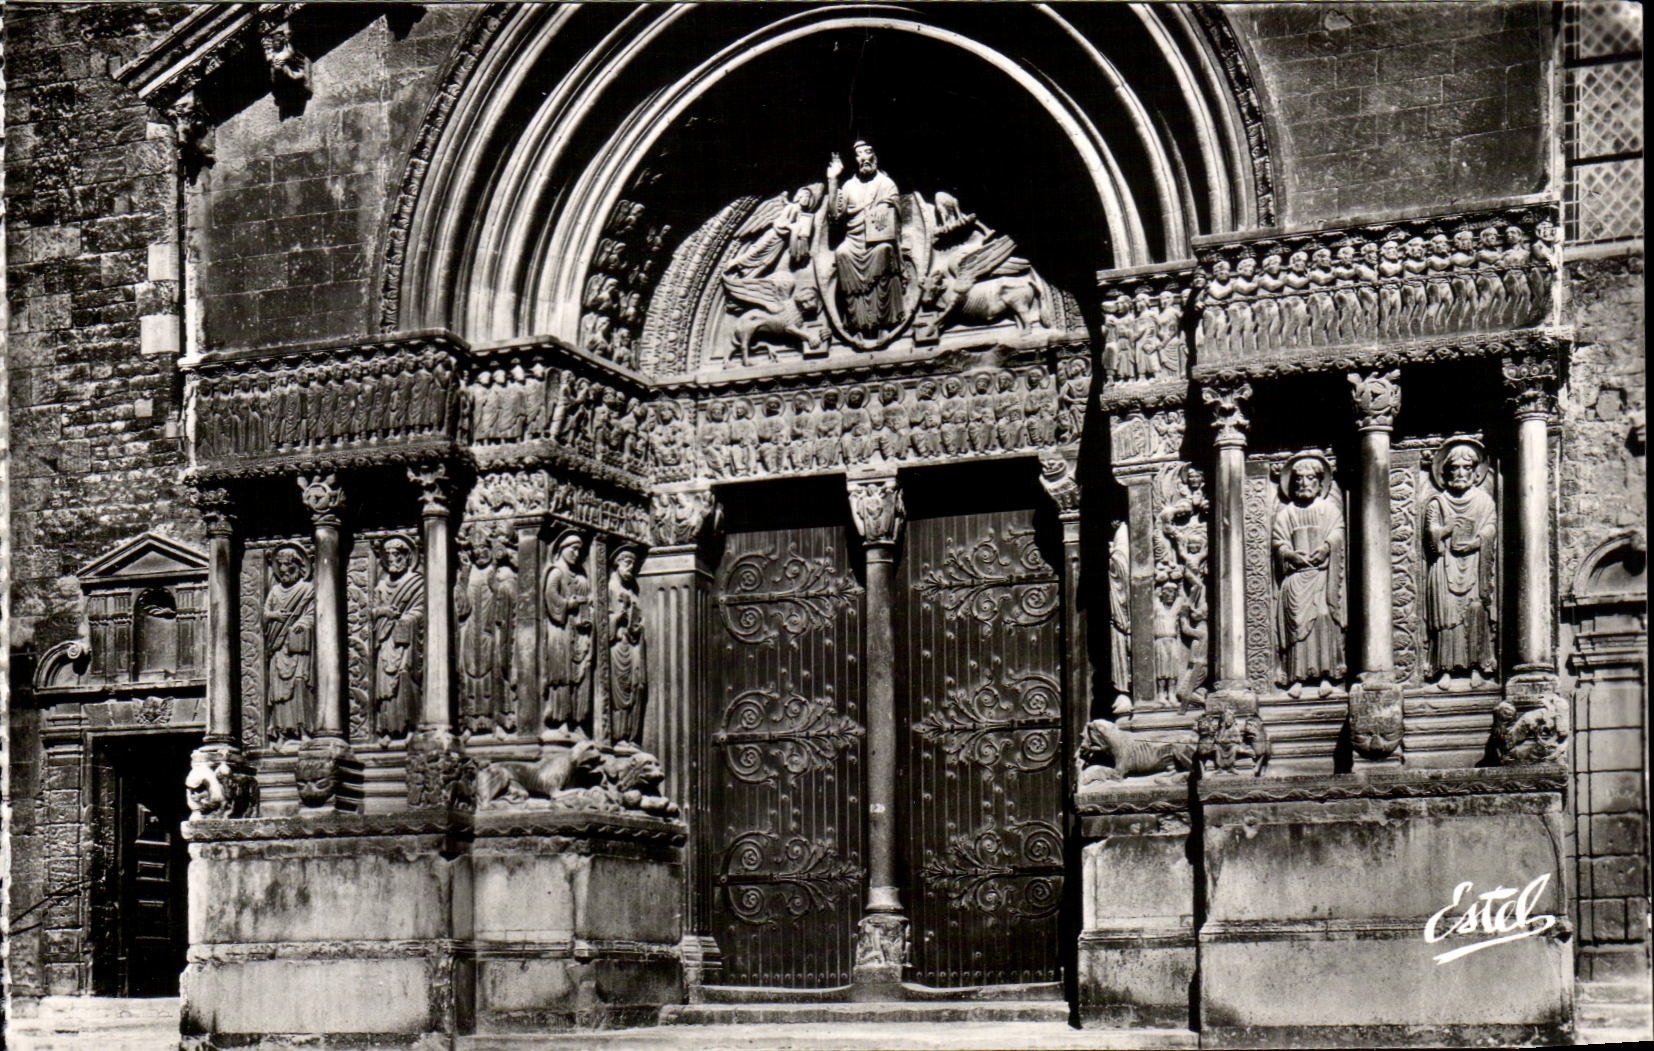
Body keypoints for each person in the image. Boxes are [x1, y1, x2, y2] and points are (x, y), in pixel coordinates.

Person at [1425, 443, 1497, 689]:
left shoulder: (1484, 501)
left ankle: (1476, 667)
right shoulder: (1438, 502)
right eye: (1454, 468)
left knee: (1475, 611)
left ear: (1476, 472)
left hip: (1474, 564)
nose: (1460, 473)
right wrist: (1446, 530)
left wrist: (1476, 543)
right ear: (1445, 473)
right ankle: (1444, 669)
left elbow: (1491, 528)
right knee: (1446, 615)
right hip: (1445, 565)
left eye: (1466, 468)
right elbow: (1431, 532)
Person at [1272, 455, 1345, 697]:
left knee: (1323, 616)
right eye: (1299, 479)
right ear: (1291, 484)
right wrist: (1290, 555)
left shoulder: (1328, 509)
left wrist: (1326, 547)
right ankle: (1296, 677)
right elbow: (1278, 542)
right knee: (1296, 623)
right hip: (1296, 577)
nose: (1304, 483)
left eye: (1310, 478)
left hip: (1322, 575)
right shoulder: (1286, 513)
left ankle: (1326, 674)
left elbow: (1337, 533)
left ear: (1319, 483)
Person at [827, 141, 904, 336]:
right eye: (859, 155)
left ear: (875, 157)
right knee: (841, 253)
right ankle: (857, 323)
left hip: (877, 240)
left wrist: (885, 206)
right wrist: (833, 180)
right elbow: (835, 215)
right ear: (855, 161)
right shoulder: (848, 186)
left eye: (868, 152)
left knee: (884, 250)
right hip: (854, 240)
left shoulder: (886, 184)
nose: (864, 158)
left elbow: (895, 207)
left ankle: (884, 322)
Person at [371, 536, 424, 737]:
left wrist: (408, 619)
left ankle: (411, 726)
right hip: (386, 639)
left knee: (405, 675)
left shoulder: (416, 582)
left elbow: (423, 609)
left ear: (407, 557)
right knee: (384, 681)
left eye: (397, 555)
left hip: (407, 640)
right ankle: (387, 729)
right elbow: (373, 611)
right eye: (388, 556)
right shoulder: (382, 586)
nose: (392, 560)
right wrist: (385, 612)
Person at [264, 545, 316, 740]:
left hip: (298, 647)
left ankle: (304, 729)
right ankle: (282, 732)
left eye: (288, 565)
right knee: (278, 689)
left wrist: (301, 624)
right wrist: (275, 615)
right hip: (278, 646)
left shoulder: (306, 589)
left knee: (300, 683)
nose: (284, 569)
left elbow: (312, 615)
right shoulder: (275, 591)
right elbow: (264, 614)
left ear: (297, 566)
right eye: (281, 565)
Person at [607, 548, 648, 746]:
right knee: (620, 690)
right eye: (627, 563)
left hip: (632, 643)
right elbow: (602, 622)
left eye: (633, 564)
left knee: (636, 687)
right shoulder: (610, 588)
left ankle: (631, 736)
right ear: (616, 563)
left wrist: (638, 626)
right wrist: (616, 617)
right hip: (617, 645)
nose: (631, 568)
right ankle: (618, 737)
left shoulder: (632, 591)